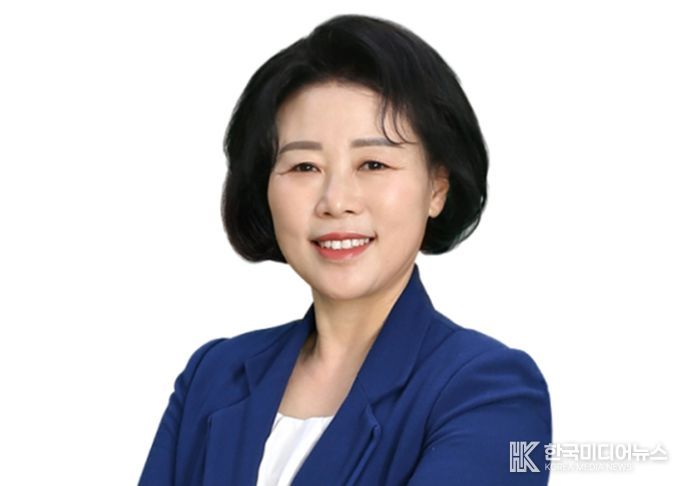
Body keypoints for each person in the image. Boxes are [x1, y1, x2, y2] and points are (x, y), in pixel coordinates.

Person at [139, 13, 551, 486]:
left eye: (373, 164)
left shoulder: (495, 392)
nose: (336, 201)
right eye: (304, 167)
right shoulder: (212, 376)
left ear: (437, 187)